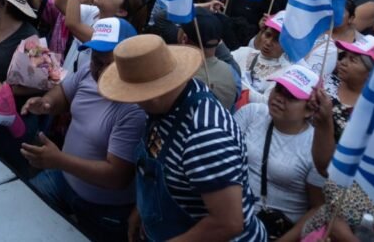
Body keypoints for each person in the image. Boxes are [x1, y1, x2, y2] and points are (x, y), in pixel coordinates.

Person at [99, 35, 267, 242]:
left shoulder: (205, 135)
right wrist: (142, 210)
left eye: (132, 95)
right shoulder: (168, 104)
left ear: (153, 94)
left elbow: (228, 223)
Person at [21, 18, 145, 240]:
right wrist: (47, 103)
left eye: (106, 62)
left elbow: (117, 176)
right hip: (63, 180)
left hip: (103, 209)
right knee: (19, 211)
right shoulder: (89, 73)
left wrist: (58, 160)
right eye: (96, 60)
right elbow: (64, 94)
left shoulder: (134, 109)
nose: (98, 68)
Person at [235, 66, 325, 238]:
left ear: (309, 110)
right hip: (231, 220)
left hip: (276, 232)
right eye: (278, 89)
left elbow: (318, 207)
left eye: (291, 97)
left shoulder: (317, 147)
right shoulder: (251, 114)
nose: (279, 98)